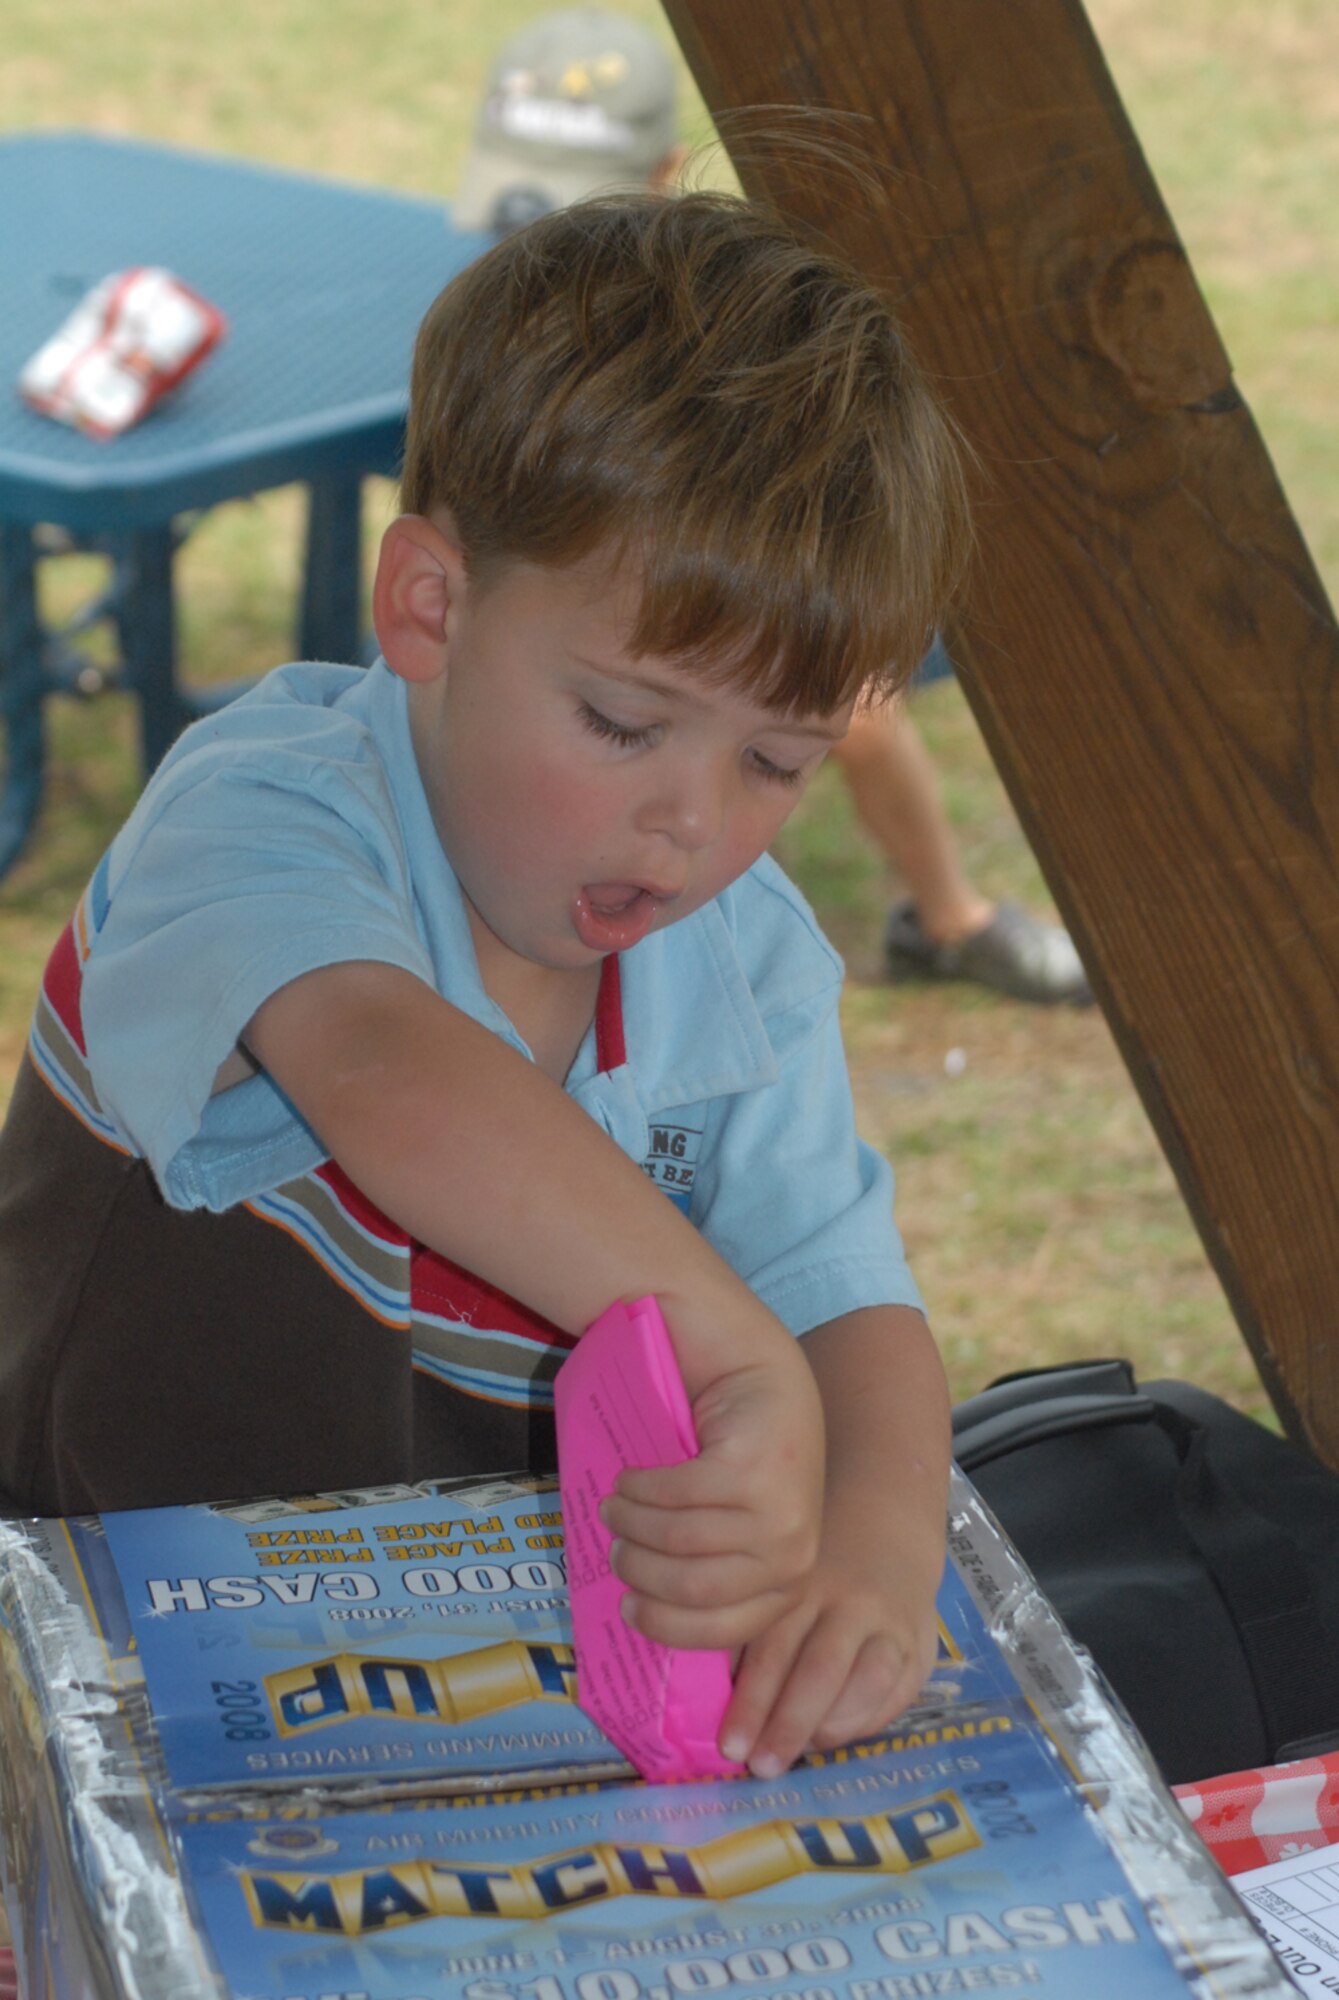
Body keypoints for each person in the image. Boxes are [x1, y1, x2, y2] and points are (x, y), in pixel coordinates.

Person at [0, 190, 969, 1779]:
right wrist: (727, 1354)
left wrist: (868, 1549)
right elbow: (388, 1069)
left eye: (776, 761)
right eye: (622, 722)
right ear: (430, 605)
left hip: (426, 1684)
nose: (694, 820)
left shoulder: (739, 958)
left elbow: (843, 1292)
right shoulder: (263, 807)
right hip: (77, 1643)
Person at [455, 6, 1092, 1008]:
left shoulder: (715, 331)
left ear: (662, 173)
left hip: (738, 555)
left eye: (774, 761)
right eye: (522, 208)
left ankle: (949, 915)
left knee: (859, 717)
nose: (545, 238)